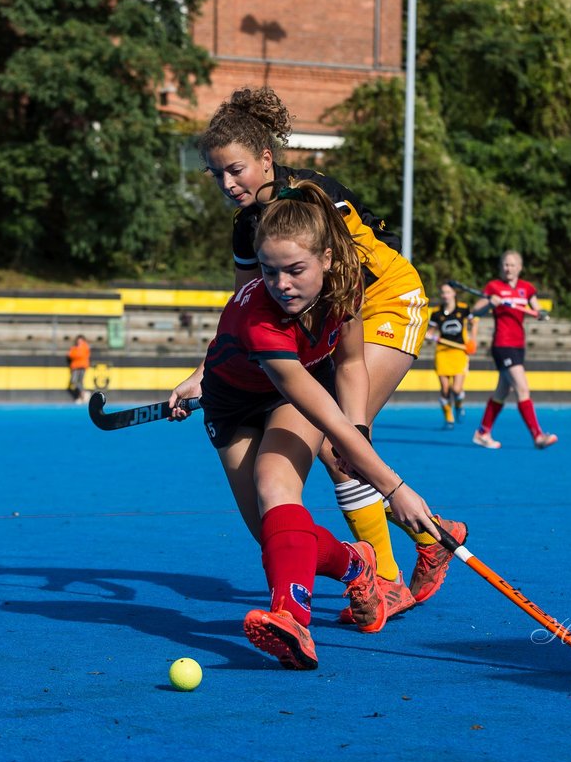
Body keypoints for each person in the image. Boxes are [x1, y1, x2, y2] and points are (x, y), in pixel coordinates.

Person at [174, 86, 467, 618]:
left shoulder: (312, 199)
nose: (227, 183)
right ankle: (423, 545)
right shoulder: (249, 226)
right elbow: (246, 302)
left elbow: (343, 280)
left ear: (267, 158)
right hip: (331, 314)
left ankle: (389, 574)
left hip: (382, 302)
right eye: (216, 174)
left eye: (235, 169)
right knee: (340, 450)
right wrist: (204, 372)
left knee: (342, 445)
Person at [167, 179, 439, 670]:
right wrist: (394, 488)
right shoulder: (262, 321)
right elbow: (323, 414)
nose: (282, 284)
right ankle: (358, 564)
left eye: (294, 270)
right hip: (232, 406)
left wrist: (360, 431)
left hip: (292, 394)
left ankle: (291, 620)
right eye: (269, 272)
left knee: (276, 489)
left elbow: (351, 365)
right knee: (274, 537)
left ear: (329, 261)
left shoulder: (347, 284)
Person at [469, 250, 558, 450]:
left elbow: (538, 310)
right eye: (505, 265)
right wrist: (489, 303)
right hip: (502, 344)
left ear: (519, 267)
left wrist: (542, 314)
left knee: (502, 390)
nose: (508, 268)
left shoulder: (527, 288)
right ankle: (537, 435)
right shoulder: (494, 287)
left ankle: (483, 432)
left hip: (519, 345)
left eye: (512, 265)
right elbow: (475, 311)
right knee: (522, 388)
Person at [426, 281, 478, 428]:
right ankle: (449, 418)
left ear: (454, 293)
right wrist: (430, 336)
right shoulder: (436, 312)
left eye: (448, 292)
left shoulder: (463, 309)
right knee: (445, 389)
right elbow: (430, 332)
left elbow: (474, 322)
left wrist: (472, 340)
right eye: (443, 293)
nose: (445, 296)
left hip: (459, 351)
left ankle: (459, 405)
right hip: (442, 352)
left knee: (456, 389)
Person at [67, 335, 91, 403]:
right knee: (74, 381)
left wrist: (75, 354)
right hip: (75, 366)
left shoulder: (85, 347)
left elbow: (79, 355)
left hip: (82, 366)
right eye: (78, 340)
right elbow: (70, 355)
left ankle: (82, 396)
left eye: (81, 340)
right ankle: (83, 394)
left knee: (80, 381)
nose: (79, 341)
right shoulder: (74, 347)